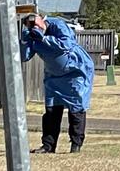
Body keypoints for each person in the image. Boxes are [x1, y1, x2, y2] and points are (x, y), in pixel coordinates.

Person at [19, 13, 94, 154]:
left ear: (42, 18)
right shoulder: (31, 35)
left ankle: (75, 145)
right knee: (51, 111)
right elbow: (25, 57)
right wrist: (25, 41)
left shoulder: (57, 25)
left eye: (36, 23)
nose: (35, 27)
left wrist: (44, 38)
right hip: (54, 76)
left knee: (76, 108)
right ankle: (48, 146)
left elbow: (67, 45)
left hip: (76, 71)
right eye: (31, 25)